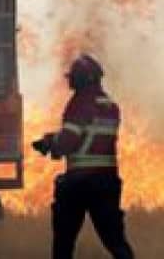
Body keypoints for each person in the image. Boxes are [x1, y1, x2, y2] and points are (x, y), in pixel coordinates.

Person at [32, 54, 134, 259]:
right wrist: (55, 139)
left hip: (79, 183)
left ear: (83, 79)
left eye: (74, 77)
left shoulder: (79, 103)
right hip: (107, 182)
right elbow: (89, 136)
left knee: (64, 243)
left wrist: (50, 144)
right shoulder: (110, 106)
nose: (70, 81)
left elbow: (68, 141)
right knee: (115, 241)